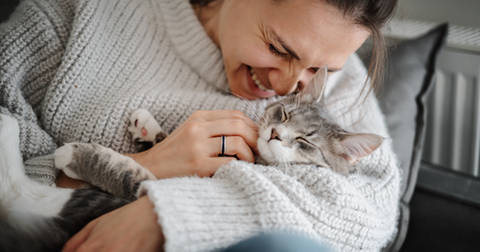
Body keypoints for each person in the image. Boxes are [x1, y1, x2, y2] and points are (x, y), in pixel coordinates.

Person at [0, 0, 400, 251]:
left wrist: (173, 214)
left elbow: (369, 213)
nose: (284, 89)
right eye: (278, 48)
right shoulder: (81, 12)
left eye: (319, 69)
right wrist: (153, 164)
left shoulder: (343, 83)